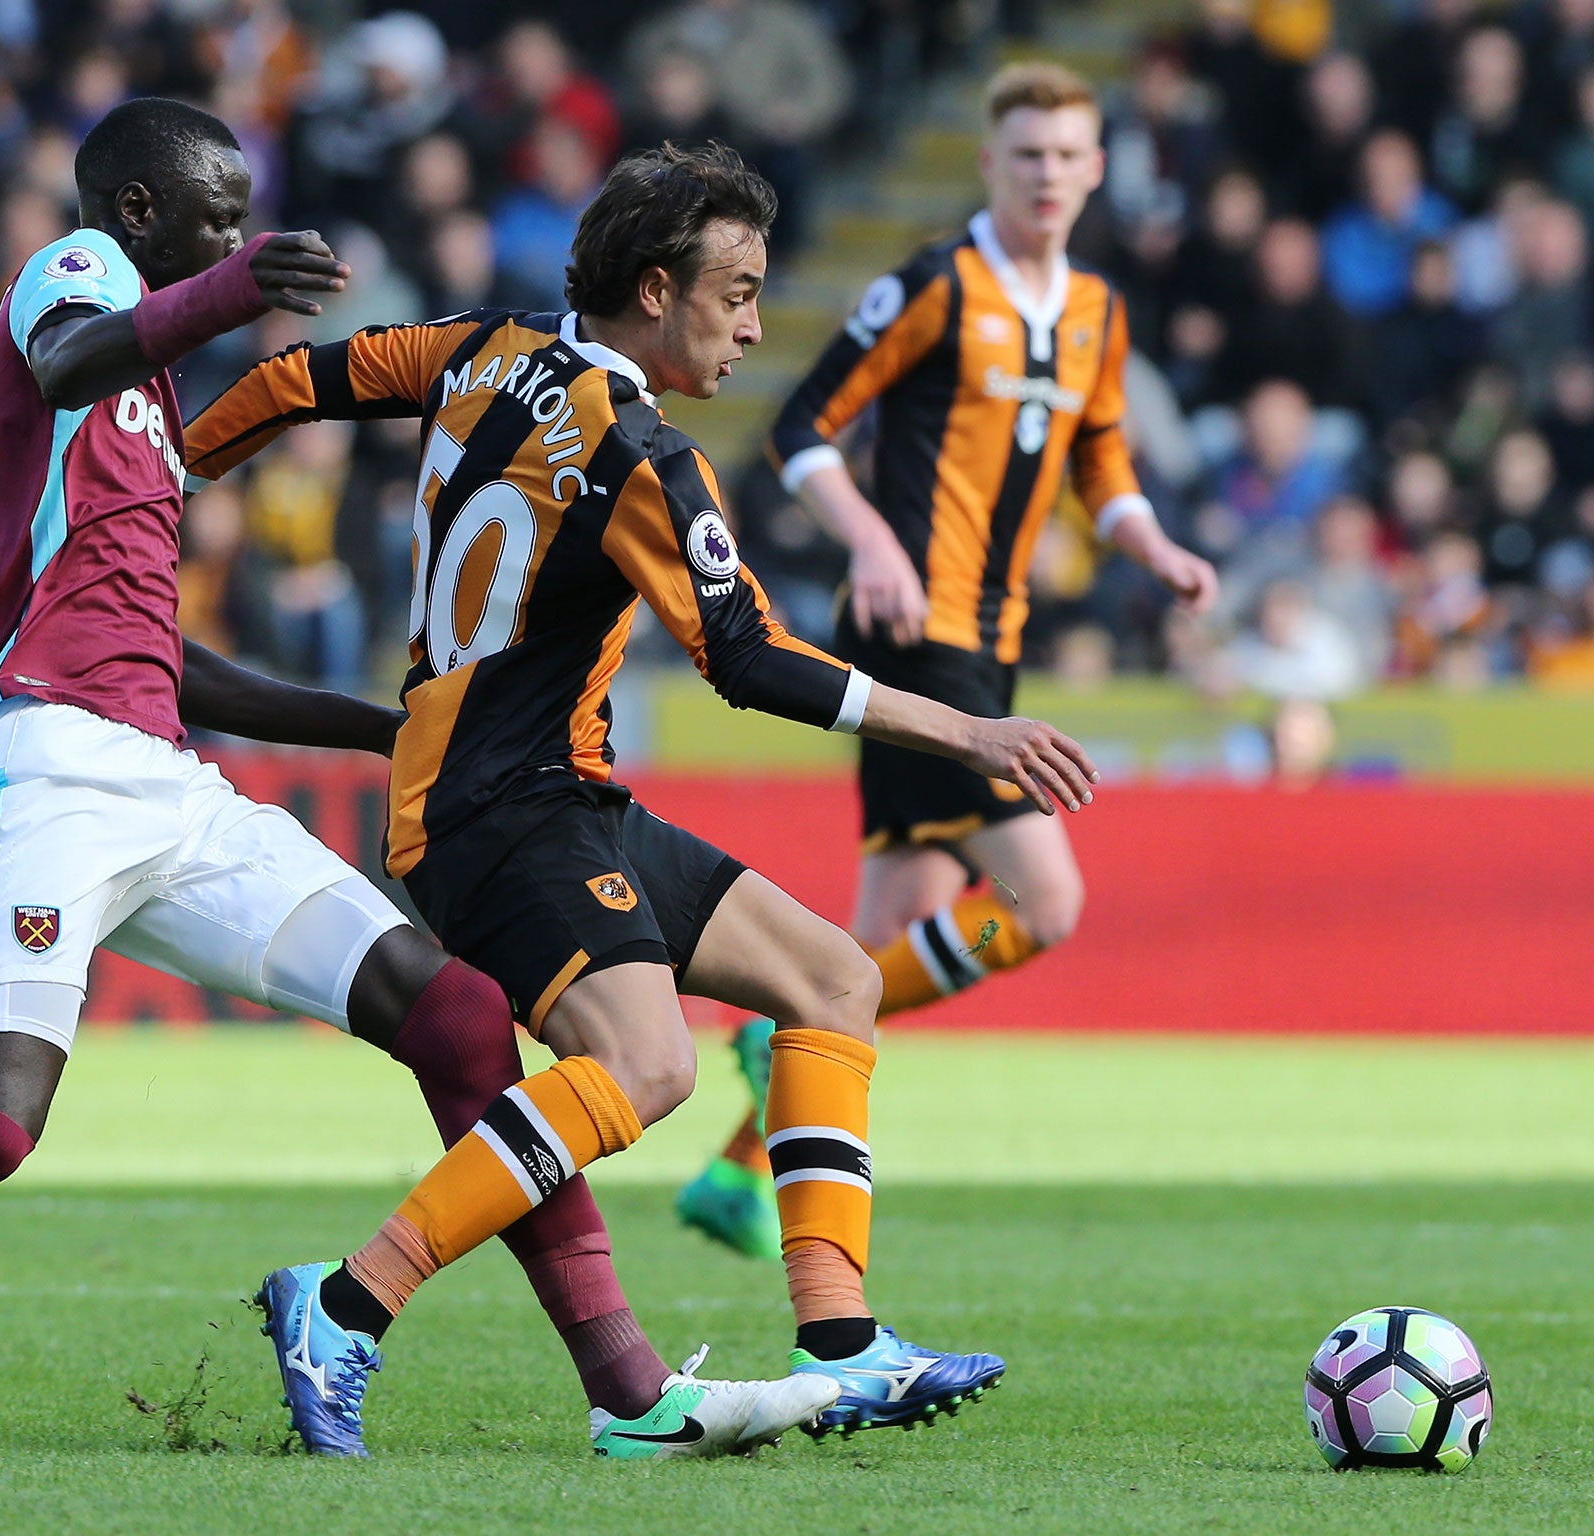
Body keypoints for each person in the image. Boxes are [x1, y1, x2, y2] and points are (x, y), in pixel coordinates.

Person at [0, 99, 820, 1465]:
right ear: (143, 213)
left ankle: (628, 1394)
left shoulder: (147, 411)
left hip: (165, 780)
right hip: (34, 760)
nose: (239, 230)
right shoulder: (75, 275)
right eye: (218, 211)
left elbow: (157, 649)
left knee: (455, 1017)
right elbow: (77, 352)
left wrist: (366, 726)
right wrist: (226, 290)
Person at [181, 141, 1100, 1454]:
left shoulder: (484, 347)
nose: (754, 325)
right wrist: (966, 731)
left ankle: (843, 1346)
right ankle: (343, 1307)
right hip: (502, 811)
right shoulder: (644, 455)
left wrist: (167, 485)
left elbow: (291, 379)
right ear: (658, 290)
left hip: (548, 796)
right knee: (648, 1065)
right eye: (736, 294)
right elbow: (751, 663)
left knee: (835, 981)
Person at [680, 64, 1217, 1258]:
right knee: (1041, 901)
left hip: (997, 642)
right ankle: (771, 1052)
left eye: (1066, 156)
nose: (1045, 175)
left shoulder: (1094, 313)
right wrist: (870, 539)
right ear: (990, 163)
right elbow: (799, 428)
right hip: (919, 639)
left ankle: (734, 1172)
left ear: (1093, 167)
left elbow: (1102, 467)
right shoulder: (930, 283)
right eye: (1024, 154)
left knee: (883, 940)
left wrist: (1152, 544)